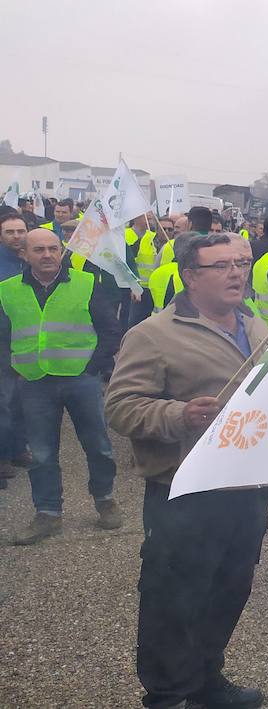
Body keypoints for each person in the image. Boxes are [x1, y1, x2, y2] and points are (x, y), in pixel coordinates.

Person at [105, 233, 268, 709]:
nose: (237, 272)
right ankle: (169, 695)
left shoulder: (256, 325)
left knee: (229, 588)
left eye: (242, 262)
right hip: (185, 489)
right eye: (221, 266)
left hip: (248, 486)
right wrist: (179, 415)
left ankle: (206, 680)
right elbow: (120, 407)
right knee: (174, 597)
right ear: (191, 277)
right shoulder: (153, 335)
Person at [2, 228, 124, 544]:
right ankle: (48, 514)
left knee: (97, 445)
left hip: (80, 380)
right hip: (34, 382)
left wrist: (93, 367)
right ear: (24, 254)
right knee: (41, 453)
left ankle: (105, 499)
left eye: (53, 249)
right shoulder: (7, 290)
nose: (47, 255)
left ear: (62, 251)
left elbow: (111, 330)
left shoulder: (86, 284)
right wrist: (13, 368)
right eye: (39, 250)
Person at [0, 212, 27, 486]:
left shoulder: (30, 260)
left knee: (23, 399)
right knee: (4, 401)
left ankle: (19, 448)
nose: (17, 236)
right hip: (3, 342)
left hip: (30, 341)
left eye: (21, 231)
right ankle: (3, 455)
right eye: (10, 232)